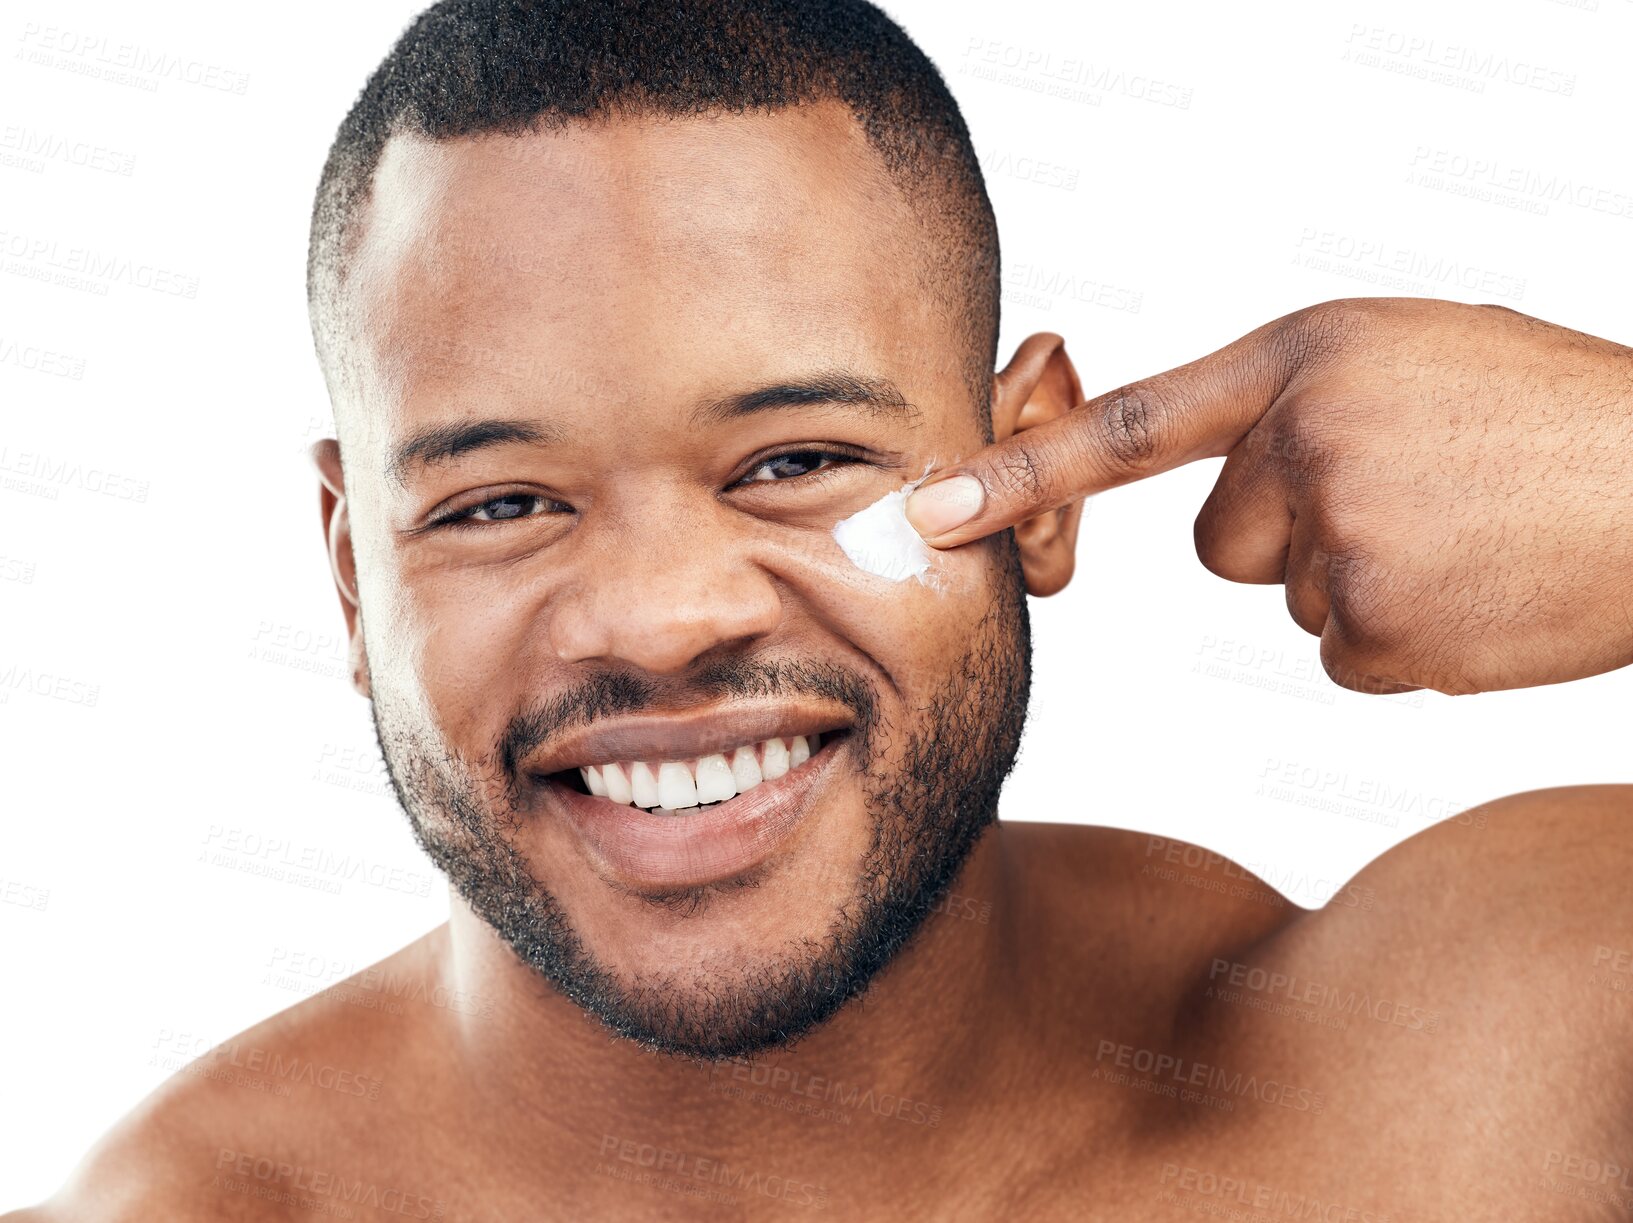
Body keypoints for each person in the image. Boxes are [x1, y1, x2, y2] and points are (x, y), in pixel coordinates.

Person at [10, 1, 1630, 1218]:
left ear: (1040, 485)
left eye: (794, 461)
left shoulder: (1489, 1092)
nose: (653, 620)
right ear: (355, 575)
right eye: (499, 502)